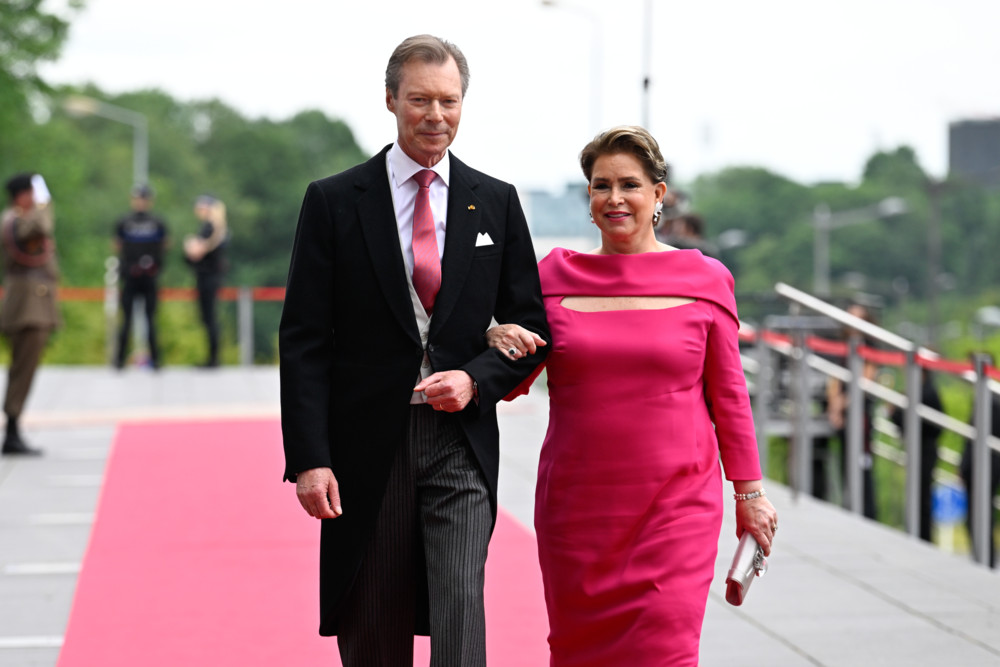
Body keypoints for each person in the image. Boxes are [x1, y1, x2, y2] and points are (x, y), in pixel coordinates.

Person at [278, 34, 549, 666]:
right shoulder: (335, 200)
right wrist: (309, 459)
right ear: (391, 100)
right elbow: (304, 341)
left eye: (449, 101)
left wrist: (477, 380)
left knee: (459, 618)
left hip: (460, 442)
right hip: (365, 445)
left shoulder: (497, 201)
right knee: (374, 625)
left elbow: (532, 326)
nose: (436, 116)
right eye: (421, 100)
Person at [487, 126, 777, 666]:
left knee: (663, 651)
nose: (614, 198)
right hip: (577, 514)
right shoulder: (551, 277)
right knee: (578, 654)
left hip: (676, 511)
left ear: (659, 194)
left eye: (629, 184)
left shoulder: (704, 279)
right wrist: (493, 334)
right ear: (588, 198)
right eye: (600, 186)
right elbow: (512, 382)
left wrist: (750, 494)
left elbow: (730, 396)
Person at [1, 173, 59, 456]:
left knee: (24, 367)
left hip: (34, 303)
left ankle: (13, 427)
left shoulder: (20, 217)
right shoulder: (14, 219)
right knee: (22, 368)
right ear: (23, 195)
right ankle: (11, 429)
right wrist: (45, 205)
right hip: (25, 306)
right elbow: (43, 227)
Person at [825, 302, 878, 519]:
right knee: (845, 462)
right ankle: (849, 507)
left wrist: (842, 403)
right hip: (844, 413)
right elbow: (836, 378)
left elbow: (865, 380)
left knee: (861, 462)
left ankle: (865, 512)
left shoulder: (869, 347)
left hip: (860, 413)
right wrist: (834, 406)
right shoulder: (843, 345)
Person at [113, 183, 168, 369]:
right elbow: (117, 244)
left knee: (151, 319)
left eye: (143, 199)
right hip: (129, 276)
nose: (140, 203)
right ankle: (119, 360)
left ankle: (156, 360)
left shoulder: (157, 222)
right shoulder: (124, 221)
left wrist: (154, 266)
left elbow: (164, 245)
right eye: (137, 199)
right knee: (126, 319)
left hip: (150, 277)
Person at [888, 368, 943, 543]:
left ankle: (923, 537)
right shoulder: (925, 390)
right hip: (922, 449)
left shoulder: (924, 392)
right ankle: (920, 535)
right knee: (919, 496)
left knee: (922, 497)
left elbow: (909, 421)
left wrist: (894, 411)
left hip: (924, 451)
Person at [183, 195, 227, 368]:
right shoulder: (216, 228)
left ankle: (213, 358)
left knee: (209, 318)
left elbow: (195, 252)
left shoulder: (211, 228)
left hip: (208, 277)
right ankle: (213, 357)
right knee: (209, 318)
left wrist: (189, 244)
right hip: (210, 276)